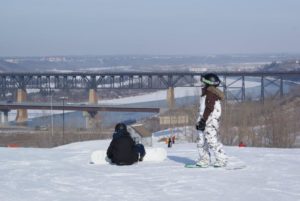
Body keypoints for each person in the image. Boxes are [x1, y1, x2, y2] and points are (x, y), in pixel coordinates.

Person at [195, 73, 227, 167]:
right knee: (201, 141)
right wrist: (199, 121)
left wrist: (203, 121)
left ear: (208, 84)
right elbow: (202, 109)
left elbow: (209, 108)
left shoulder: (211, 94)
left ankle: (222, 159)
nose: (202, 85)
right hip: (203, 120)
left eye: (204, 83)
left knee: (211, 140)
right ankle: (204, 160)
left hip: (210, 122)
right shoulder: (206, 93)